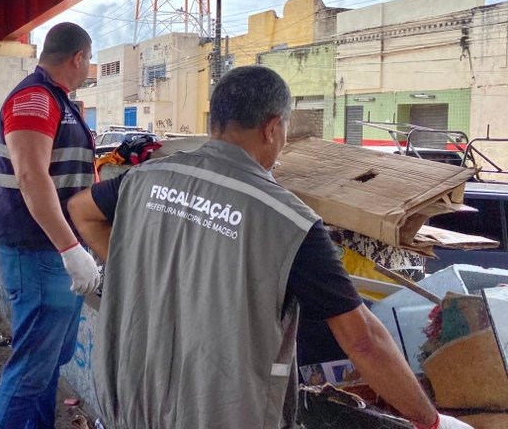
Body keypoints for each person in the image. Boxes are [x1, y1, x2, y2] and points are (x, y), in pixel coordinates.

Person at [67, 66, 472, 429]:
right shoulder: (288, 220)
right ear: (273, 127)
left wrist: (133, 271)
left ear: (217, 122)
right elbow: (362, 339)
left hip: (129, 401)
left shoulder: (145, 178)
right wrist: (430, 420)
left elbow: (81, 211)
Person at [0, 22, 101, 428]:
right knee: (31, 369)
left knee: (49, 362)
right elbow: (32, 176)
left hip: (50, 250)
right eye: (90, 60)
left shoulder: (55, 99)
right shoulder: (35, 98)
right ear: (78, 57)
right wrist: (71, 250)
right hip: (38, 251)